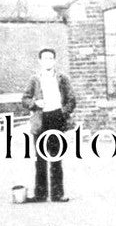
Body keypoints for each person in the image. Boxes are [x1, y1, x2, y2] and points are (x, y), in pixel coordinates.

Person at [22, 47, 76, 202]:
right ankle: (40, 194)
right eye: (44, 58)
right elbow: (24, 99)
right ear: (40, 61)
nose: (48, 61)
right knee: (40, 158)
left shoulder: (62, 78)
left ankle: (57, 194)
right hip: (40, 120)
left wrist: (63, 113)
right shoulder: (34, 79)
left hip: (57, 119)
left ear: (54, 61)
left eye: (50, 58)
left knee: (56, 157)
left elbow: (72, 100)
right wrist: (34, 103)